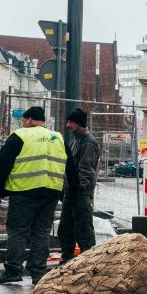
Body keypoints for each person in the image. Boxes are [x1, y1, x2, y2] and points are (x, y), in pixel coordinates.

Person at [0, 106, 67, 284]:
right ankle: (38, 273)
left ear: (29, 119)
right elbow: (67, 165)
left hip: (24, 191)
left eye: (24, 120)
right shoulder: (58, 137)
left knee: (18, 231)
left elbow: (4, 163)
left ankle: (13, 270)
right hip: (51, 192)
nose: (23, 124)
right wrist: (63, 192)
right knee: (41, 232)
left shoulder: (20, 136)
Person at [57, 108, 100, 262]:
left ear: (79, 123)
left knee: (84, 231)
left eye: (71, 122)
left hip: (81, 194)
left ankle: (91, 263)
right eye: (68, 122)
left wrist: (77, 190)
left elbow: (85, 170)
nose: (68, 125)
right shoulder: (76, 140)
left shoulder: (87, 142)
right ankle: (67, 261)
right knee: (65, 230)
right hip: (72, 193)